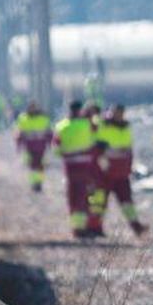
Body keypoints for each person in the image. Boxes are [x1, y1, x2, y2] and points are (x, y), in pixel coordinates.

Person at [94, 103, 146, 236]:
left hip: (122, 172)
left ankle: (136, 226)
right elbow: (97, 148)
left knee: (127, 201)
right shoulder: (103, 125)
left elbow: (128, 149)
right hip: (105, 172)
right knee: (100, 201)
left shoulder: (125, 127)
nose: (118, 115)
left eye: (120, 113)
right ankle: (95, 227)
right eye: (116, 112)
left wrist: (129, 167)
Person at [55, 100, 103, 239]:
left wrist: (68, 152)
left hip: (70, 167)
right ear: (80, 110)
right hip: (86, 166)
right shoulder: (87, 124)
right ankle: (89, 227)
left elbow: (56, 149)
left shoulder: (61, 126)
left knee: (73, 197)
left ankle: (77, 229)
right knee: (87, 195)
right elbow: (97, 135)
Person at [14, 101, 53, 192]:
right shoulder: (23, 119)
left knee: (38, 166)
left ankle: (38, 183)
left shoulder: (43, 119)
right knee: (33, 166)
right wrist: (18, 145)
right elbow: (19, 133)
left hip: (40, 147)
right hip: (30, 147)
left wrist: (50, 144)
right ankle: (36, 183)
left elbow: (49, 133)